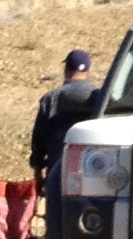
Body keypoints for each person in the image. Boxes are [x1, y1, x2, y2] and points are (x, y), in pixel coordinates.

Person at [29, 49, 99, 196]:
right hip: (93, 174)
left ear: (66, 70)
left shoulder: (51, 99)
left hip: (57, 175)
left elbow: (39, 141)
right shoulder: (99, 98)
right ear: (88, 71)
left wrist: (38, 173)